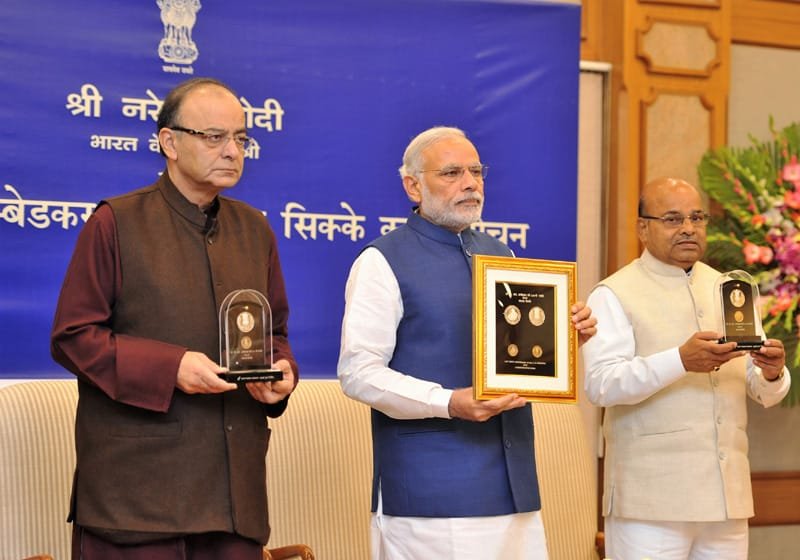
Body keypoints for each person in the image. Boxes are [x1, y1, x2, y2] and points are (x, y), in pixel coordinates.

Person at [51, 77, 298, 560]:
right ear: (169, 142)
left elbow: (274, 333)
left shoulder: (255, 229)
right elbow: (73, 338)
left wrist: (281, 374)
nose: (232, 151)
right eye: (214, 137)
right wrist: (172, 368)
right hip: (137, 500)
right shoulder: (115, 222)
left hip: (233, 498)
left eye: (241, 139)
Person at [337, 125, 597, 559]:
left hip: (514, 489)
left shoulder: (503, 256)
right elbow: (358, 374)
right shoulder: (381, 261)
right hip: (431, 495)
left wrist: (565, 340)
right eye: (452, 173)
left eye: (476, 172)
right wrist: (449, 402)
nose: (471, 183)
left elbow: (519, 363)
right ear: (412, 185)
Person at [581, 177, 791, 560]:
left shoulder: (731, 289)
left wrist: (772, 373)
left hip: (727, 501)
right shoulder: (613, 293)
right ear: (643, 227)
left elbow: (761, 390)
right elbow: (601, 384)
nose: (688, 228)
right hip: (650, 503)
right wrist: (679, 360)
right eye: (673, 219)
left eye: (697, 217)